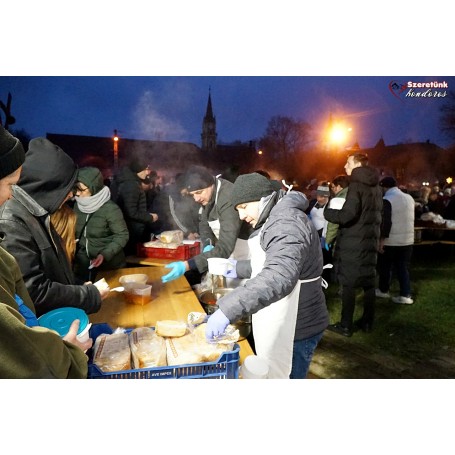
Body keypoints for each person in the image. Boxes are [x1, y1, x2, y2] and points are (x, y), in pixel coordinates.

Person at [204, 172, 329, 379]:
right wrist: (235, 268)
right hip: (284, 318)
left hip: (298, 326)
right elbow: (268, 263)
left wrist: (227, 310)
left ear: (262, 198)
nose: (241, 216)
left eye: (243, 207)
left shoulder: (286, 223)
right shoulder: (274, 217)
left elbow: (279, 275)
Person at [0, 125, 91, 378]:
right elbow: (21, 350)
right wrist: (67, 353)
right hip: (50, 349)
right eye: (9, 184)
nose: (10, 196)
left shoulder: (40, 216)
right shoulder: (12, 220)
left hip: (51, 335)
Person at [0, 135, 109, 317]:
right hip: (44, 326)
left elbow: (54, 270)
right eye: (67, 189)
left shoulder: (37, 212)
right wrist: (89, 295)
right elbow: (33, 291)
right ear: (49, 185)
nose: (70, 196)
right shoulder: (12, 220)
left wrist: (79, 285)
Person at [161, 165, 251, 285]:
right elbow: (204, 223)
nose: (196, 199)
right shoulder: (207, 197)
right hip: (226, 252)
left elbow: (225, 246)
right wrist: (207, 243)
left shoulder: (227, 197)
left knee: (239, 288)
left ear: (211, 184)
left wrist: (188, 264)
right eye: (192, 195)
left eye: (199, 192)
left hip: (243, 251)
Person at [324, 153, 382, 336]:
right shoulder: (376, 186)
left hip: (353, 242)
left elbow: (348, 215)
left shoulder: (356, 186)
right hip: (370, 240)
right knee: (368, 283)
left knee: (349, 284)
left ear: (357, 164)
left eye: (348, 162)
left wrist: (329, 213)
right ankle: (367, 322)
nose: (344, 166)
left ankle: (345, 325)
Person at [73, 166, 129, 282]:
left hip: (109, 266)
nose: (77, 193)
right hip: (84, 266)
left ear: (93, 188)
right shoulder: (77, 206)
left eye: (81, 189)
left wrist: (104, 254)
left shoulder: (110, 209)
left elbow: (122, 235)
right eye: (75, 189)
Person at [376, 176, 415, 304]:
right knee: (403, 268)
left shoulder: (387, 200)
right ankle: (406, 294)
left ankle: (383, 290)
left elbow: (386, 223)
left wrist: (381, 241)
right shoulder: (409, 198)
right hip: (407, 240)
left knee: (385, 267)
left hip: (392, 240)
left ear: (384, 187)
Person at [111, 158, 159, 255]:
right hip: (132, 231)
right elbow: (130, 212)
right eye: (145, 169)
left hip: (130, 229)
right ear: (138, 169)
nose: (147, 173)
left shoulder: (130, 182)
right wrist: (150, 217)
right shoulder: (131, 185)